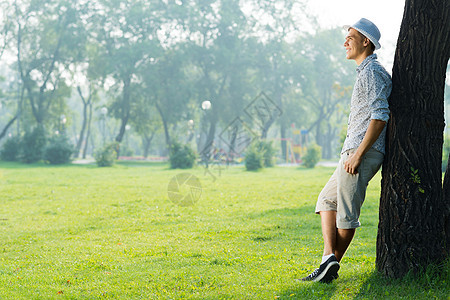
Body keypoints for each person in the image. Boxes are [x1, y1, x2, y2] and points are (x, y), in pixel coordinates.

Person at [301, 18, 392, 283]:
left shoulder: (372, 72)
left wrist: (358, 154)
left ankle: (327, 268)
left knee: (347, 214)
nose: (345, 42)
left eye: (350, 37)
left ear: (366, 41)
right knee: (326, 201)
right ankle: (328, 261)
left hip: (361, 152)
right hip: (353, 152)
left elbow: (380, 116)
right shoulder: (365, 72)